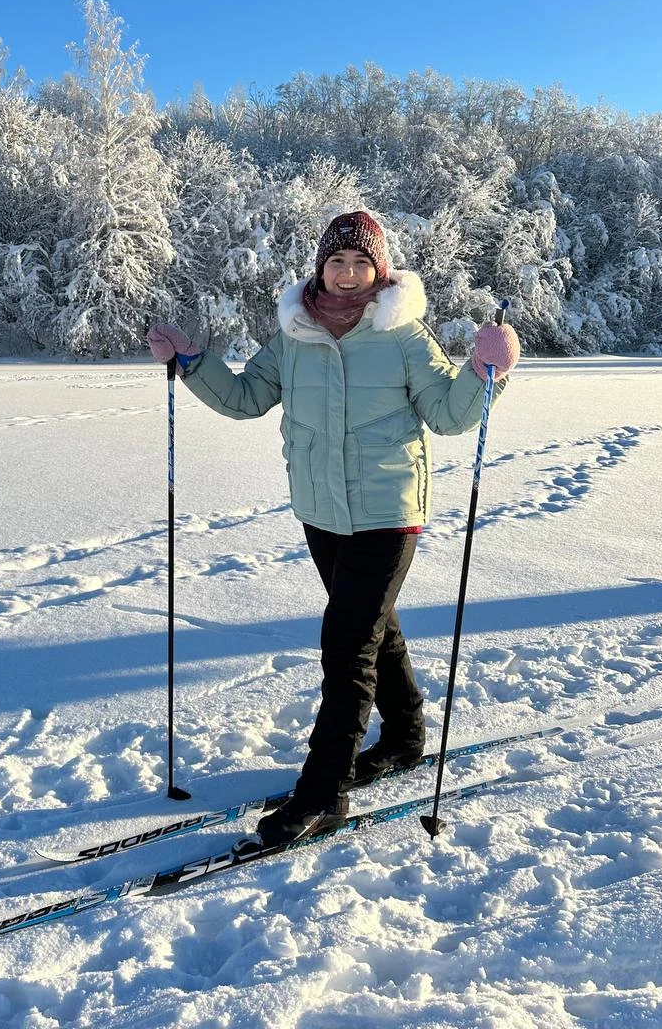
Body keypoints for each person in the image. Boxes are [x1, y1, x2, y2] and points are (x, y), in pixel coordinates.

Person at [146, 210, 520, 848]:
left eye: (361, 264)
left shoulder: (403, 334)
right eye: (336, 262)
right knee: (374, 628)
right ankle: (404, 736)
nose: (347, 275)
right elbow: (245, 398)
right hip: (320, 510)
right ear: (320, 267)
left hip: (388, 512)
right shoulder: (293, 334)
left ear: (380, 271)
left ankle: (323, 794)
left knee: (347, 647)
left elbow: (448, 414)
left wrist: (487, 374)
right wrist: (191, 362)